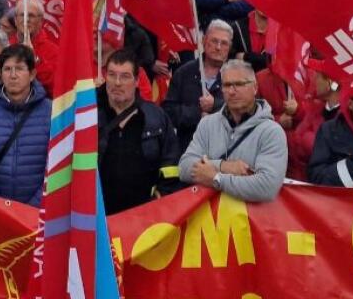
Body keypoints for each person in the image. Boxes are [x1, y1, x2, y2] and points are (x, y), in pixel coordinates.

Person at [179, 60, 288, 202]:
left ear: (255, 87)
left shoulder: (272, 132)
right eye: (227, 85)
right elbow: (184, 167)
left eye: (239, 84)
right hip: (211, 221)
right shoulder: (207, 124)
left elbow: (266, 187)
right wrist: (224, 167)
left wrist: (216, 178)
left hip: (249, 221)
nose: (231, 91)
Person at [97, 50, 181, 215]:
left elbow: (171, 167)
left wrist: (159, 199)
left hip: (143, 221)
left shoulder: (156, 118)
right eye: (112, 75)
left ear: (137, 81)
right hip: (97, 218)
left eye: (125, 76)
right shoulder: (88, 115)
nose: (117, 83)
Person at [0, 45, 51, 206]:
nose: (13, 75)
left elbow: (54, 168)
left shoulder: (50, 111)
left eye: (19, 69)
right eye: (7, 69)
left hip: (37, 212)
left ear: (32, 74)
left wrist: (33, 207)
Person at [162, 19, 231, 149]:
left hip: (225, 152)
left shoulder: (237, 75)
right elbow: (168, 113)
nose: (218, 47)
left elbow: (244, 110)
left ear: (230, 48)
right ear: (204, 41)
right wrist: (197, 113)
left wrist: (215, 105)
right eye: (214, 41)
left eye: (224, 43)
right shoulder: (184, 72)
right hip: (189, 150)